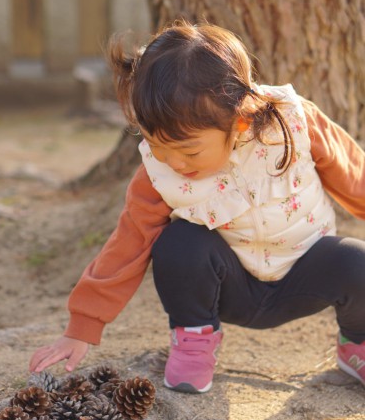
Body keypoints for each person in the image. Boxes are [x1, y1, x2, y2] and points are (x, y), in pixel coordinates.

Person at [30, 21, 365, 393]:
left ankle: (357, 345)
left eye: (188, 150)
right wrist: (82, 327)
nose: (174, 161)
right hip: (228, 288)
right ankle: (193, 339)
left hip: (305, 276)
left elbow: (354, 175)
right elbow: (128, 244)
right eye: (158, 147)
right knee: (179, 243)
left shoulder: (294, 125)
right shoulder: (160, 176)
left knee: (356, 260)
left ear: (239, 120)